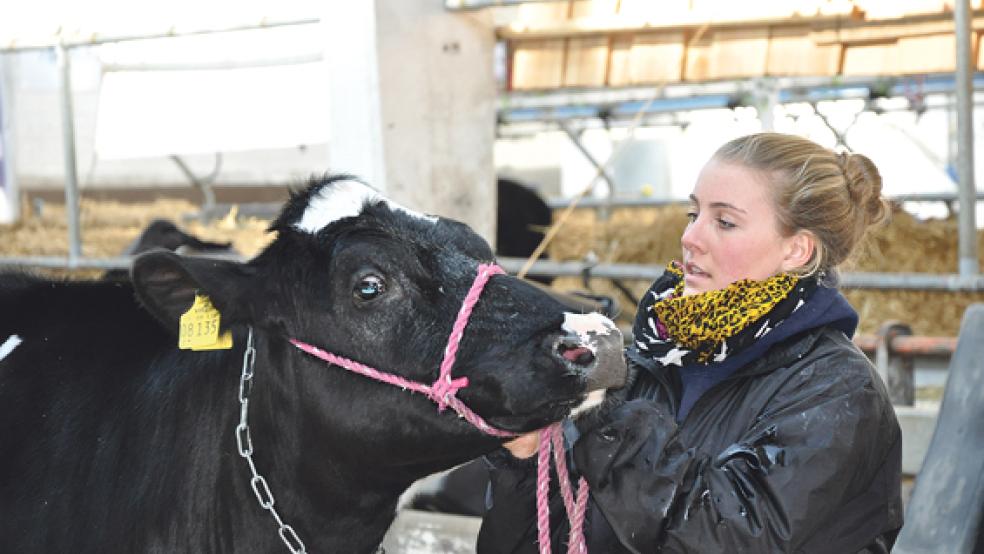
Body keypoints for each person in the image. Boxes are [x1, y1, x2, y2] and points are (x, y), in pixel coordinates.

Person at [477, 132, 903, 553]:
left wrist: (605, 412)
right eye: (693, 214)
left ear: (797, 250)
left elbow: (731, 537)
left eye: (724, 222)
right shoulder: (653, 358)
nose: (691, 238)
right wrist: (527, 464)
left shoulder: (836, 391)